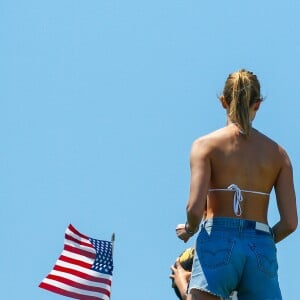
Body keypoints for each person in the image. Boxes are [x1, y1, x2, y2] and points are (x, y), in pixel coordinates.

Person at [176, 69, 298, 300]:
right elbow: (290, 222)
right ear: (258, 104)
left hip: (218, 239)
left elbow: (194, 209)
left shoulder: (206, 146)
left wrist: (190, 229)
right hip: (261, 244)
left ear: (223, 101)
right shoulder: (278, 154)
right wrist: (263, 240)